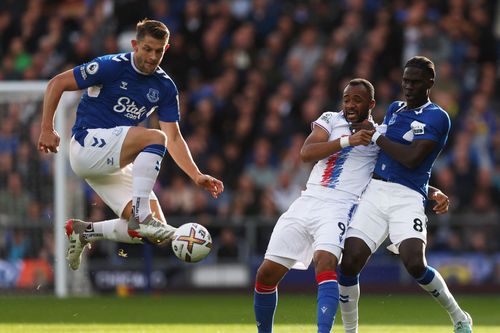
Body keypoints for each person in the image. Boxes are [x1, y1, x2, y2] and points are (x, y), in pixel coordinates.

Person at [254, 78, 450, 333]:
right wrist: (348, 141)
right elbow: (306, 153)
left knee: (325, 262)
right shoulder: (330, 120)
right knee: (265, 275)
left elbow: (396, 173)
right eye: (346, 99)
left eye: (356, 100)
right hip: (308, 200)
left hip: (341, 207)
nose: (349, 105)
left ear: (371, 104)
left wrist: (432, 192)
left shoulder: (378, 135)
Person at [37, 19, 224, 270]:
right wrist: (47, 127)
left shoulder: (165, 87)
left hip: (113, 161)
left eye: (159, 51)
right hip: (86, 145)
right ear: (135, 45)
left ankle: (84, 231)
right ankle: (141, 215)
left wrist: (196, 174)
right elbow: (57, 83)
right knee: (156, 138)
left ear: (166, 49)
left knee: (156, 233)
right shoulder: (111, 66)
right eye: (147, 49)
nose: (153, 56)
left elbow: (175, 137)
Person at [338, 56, 473, 333]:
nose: (408, 86)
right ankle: (350, 330)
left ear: (430, 83)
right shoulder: (394, 109)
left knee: (414, 263)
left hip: (408, 198)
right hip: (375, 192)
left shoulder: (438, 117)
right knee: (349, 262)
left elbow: (412, 160)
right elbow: (386, 157)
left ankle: (459, 316)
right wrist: (433, 189)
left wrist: (375, 136)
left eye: (415, 81)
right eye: (405, 81)